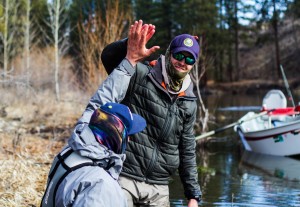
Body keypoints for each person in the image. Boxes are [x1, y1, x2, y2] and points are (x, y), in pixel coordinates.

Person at [75, 19, 202, 207]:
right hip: (124, 176)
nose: (183, 62)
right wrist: (130, 47)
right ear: (169, 53)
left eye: (190, 58)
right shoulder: (142, 75)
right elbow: (108, 58)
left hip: (159, 187)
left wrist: (193, 195)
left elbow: (187, 149)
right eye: (179, 55)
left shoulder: (189, 101)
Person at [40, 102, 146, 207]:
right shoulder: (100, 185)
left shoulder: (69, 151)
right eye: (128, 134)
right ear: (115, 135)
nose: (129, 139)